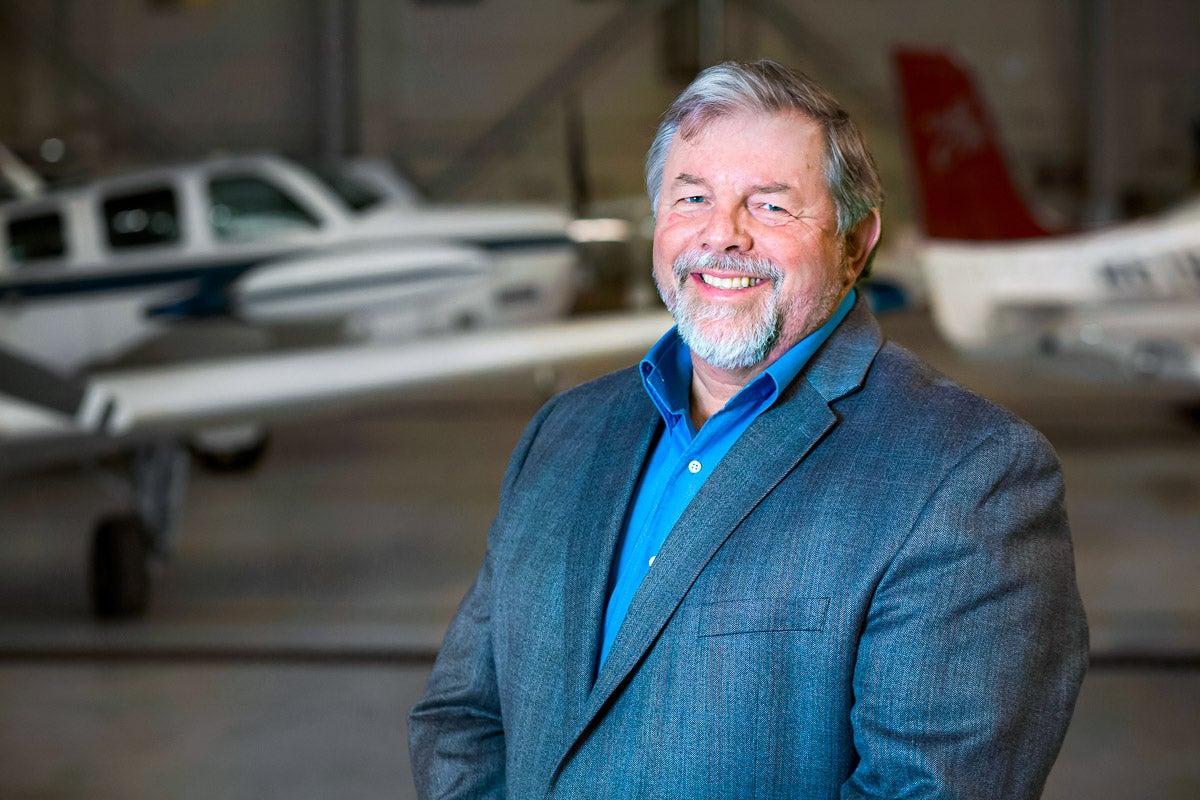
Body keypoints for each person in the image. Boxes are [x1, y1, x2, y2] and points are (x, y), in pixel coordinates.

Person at [409, 59, 1088, 799]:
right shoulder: (563, 432)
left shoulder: (972, 474)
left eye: (770, 206)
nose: (721, 236)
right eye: (692, 196)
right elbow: (461, 716)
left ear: (855, 242)